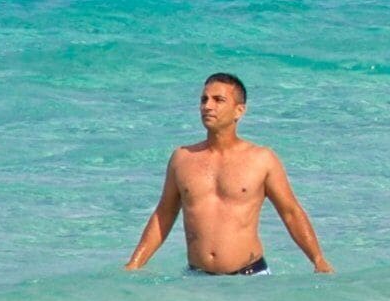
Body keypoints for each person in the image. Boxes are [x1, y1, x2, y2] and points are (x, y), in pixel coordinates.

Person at [125, 72, 331, 275]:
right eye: (204, 99)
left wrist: (318, 260)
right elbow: (164, 214)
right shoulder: (182, 158)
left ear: (239, 111)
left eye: (218, 100)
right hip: (197, 277)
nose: (207, 106)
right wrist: (135, 263)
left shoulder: (262, 159)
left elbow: (291, 212)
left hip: (250, 278)